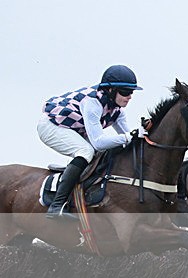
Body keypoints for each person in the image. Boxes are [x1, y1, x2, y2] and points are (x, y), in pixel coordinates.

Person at [38, 65, 142, 220]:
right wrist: (130, 136)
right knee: (86, 151)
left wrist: (141, 135)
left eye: (131, 92)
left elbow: (127, 138)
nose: (130, 97)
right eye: (125, 92)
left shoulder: (117, 110)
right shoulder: (93, 103)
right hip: (51, 125)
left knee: (101, 153)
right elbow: (99, 142)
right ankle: (56, 206)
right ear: (111, 90)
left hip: (74, 129)